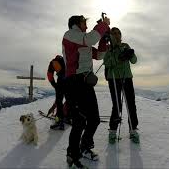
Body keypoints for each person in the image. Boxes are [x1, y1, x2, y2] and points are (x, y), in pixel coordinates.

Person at [62, 15, 110, 168]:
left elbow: (101, 55)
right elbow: (90, 39)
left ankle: (84, 148)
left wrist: (103, 39)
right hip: (74, 82)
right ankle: (73, 155)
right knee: (79, 122)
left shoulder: (83, 39)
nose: (87, 26)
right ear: (76, 23)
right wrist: (103, 25)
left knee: (94, 119)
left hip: (85, 83)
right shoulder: (70, 34)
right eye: (85, 23)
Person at [103, 27, 140, 144]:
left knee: (131, 104)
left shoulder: (125, 45)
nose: (117, 35)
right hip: (114, 78)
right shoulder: (109, 49)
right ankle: (113, 131)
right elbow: (107, 63)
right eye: (114, 33)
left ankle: (133, 129)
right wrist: (119, 58)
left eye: (119, 33)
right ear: (111, 36)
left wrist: (130, 54)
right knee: (117, 104)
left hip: (127, 77)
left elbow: (134, 61)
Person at [47, 55, 66, 130]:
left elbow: (49, 75)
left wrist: (55, 85)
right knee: (71, 100)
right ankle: (69, 116)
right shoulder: (67, 59)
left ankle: (59, 121)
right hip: (71, 80)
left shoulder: (53, 62)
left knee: (59, 101)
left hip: (60, 82)